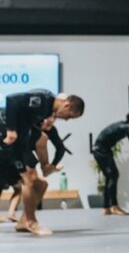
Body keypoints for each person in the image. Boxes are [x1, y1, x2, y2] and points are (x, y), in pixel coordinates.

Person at [0, 90, 84, 235]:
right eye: (69, 116)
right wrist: (11, 130)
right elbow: (11, 99)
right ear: (67, 105)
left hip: (18, 145)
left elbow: (49, 142)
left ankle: (24, 221)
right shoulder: (43, 100)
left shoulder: (47, 112)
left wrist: (49, 166)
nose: (66, 120)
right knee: (30, 180)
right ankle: (31, 222)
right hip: (7, 139)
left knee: (40, 184)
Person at [92, 111, 129, 216]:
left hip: (103, 150)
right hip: (100, 150)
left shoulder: (127, 128)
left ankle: (107, 208)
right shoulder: (124, 126)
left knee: (110, 177)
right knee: (113, 175)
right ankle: (113, 206)